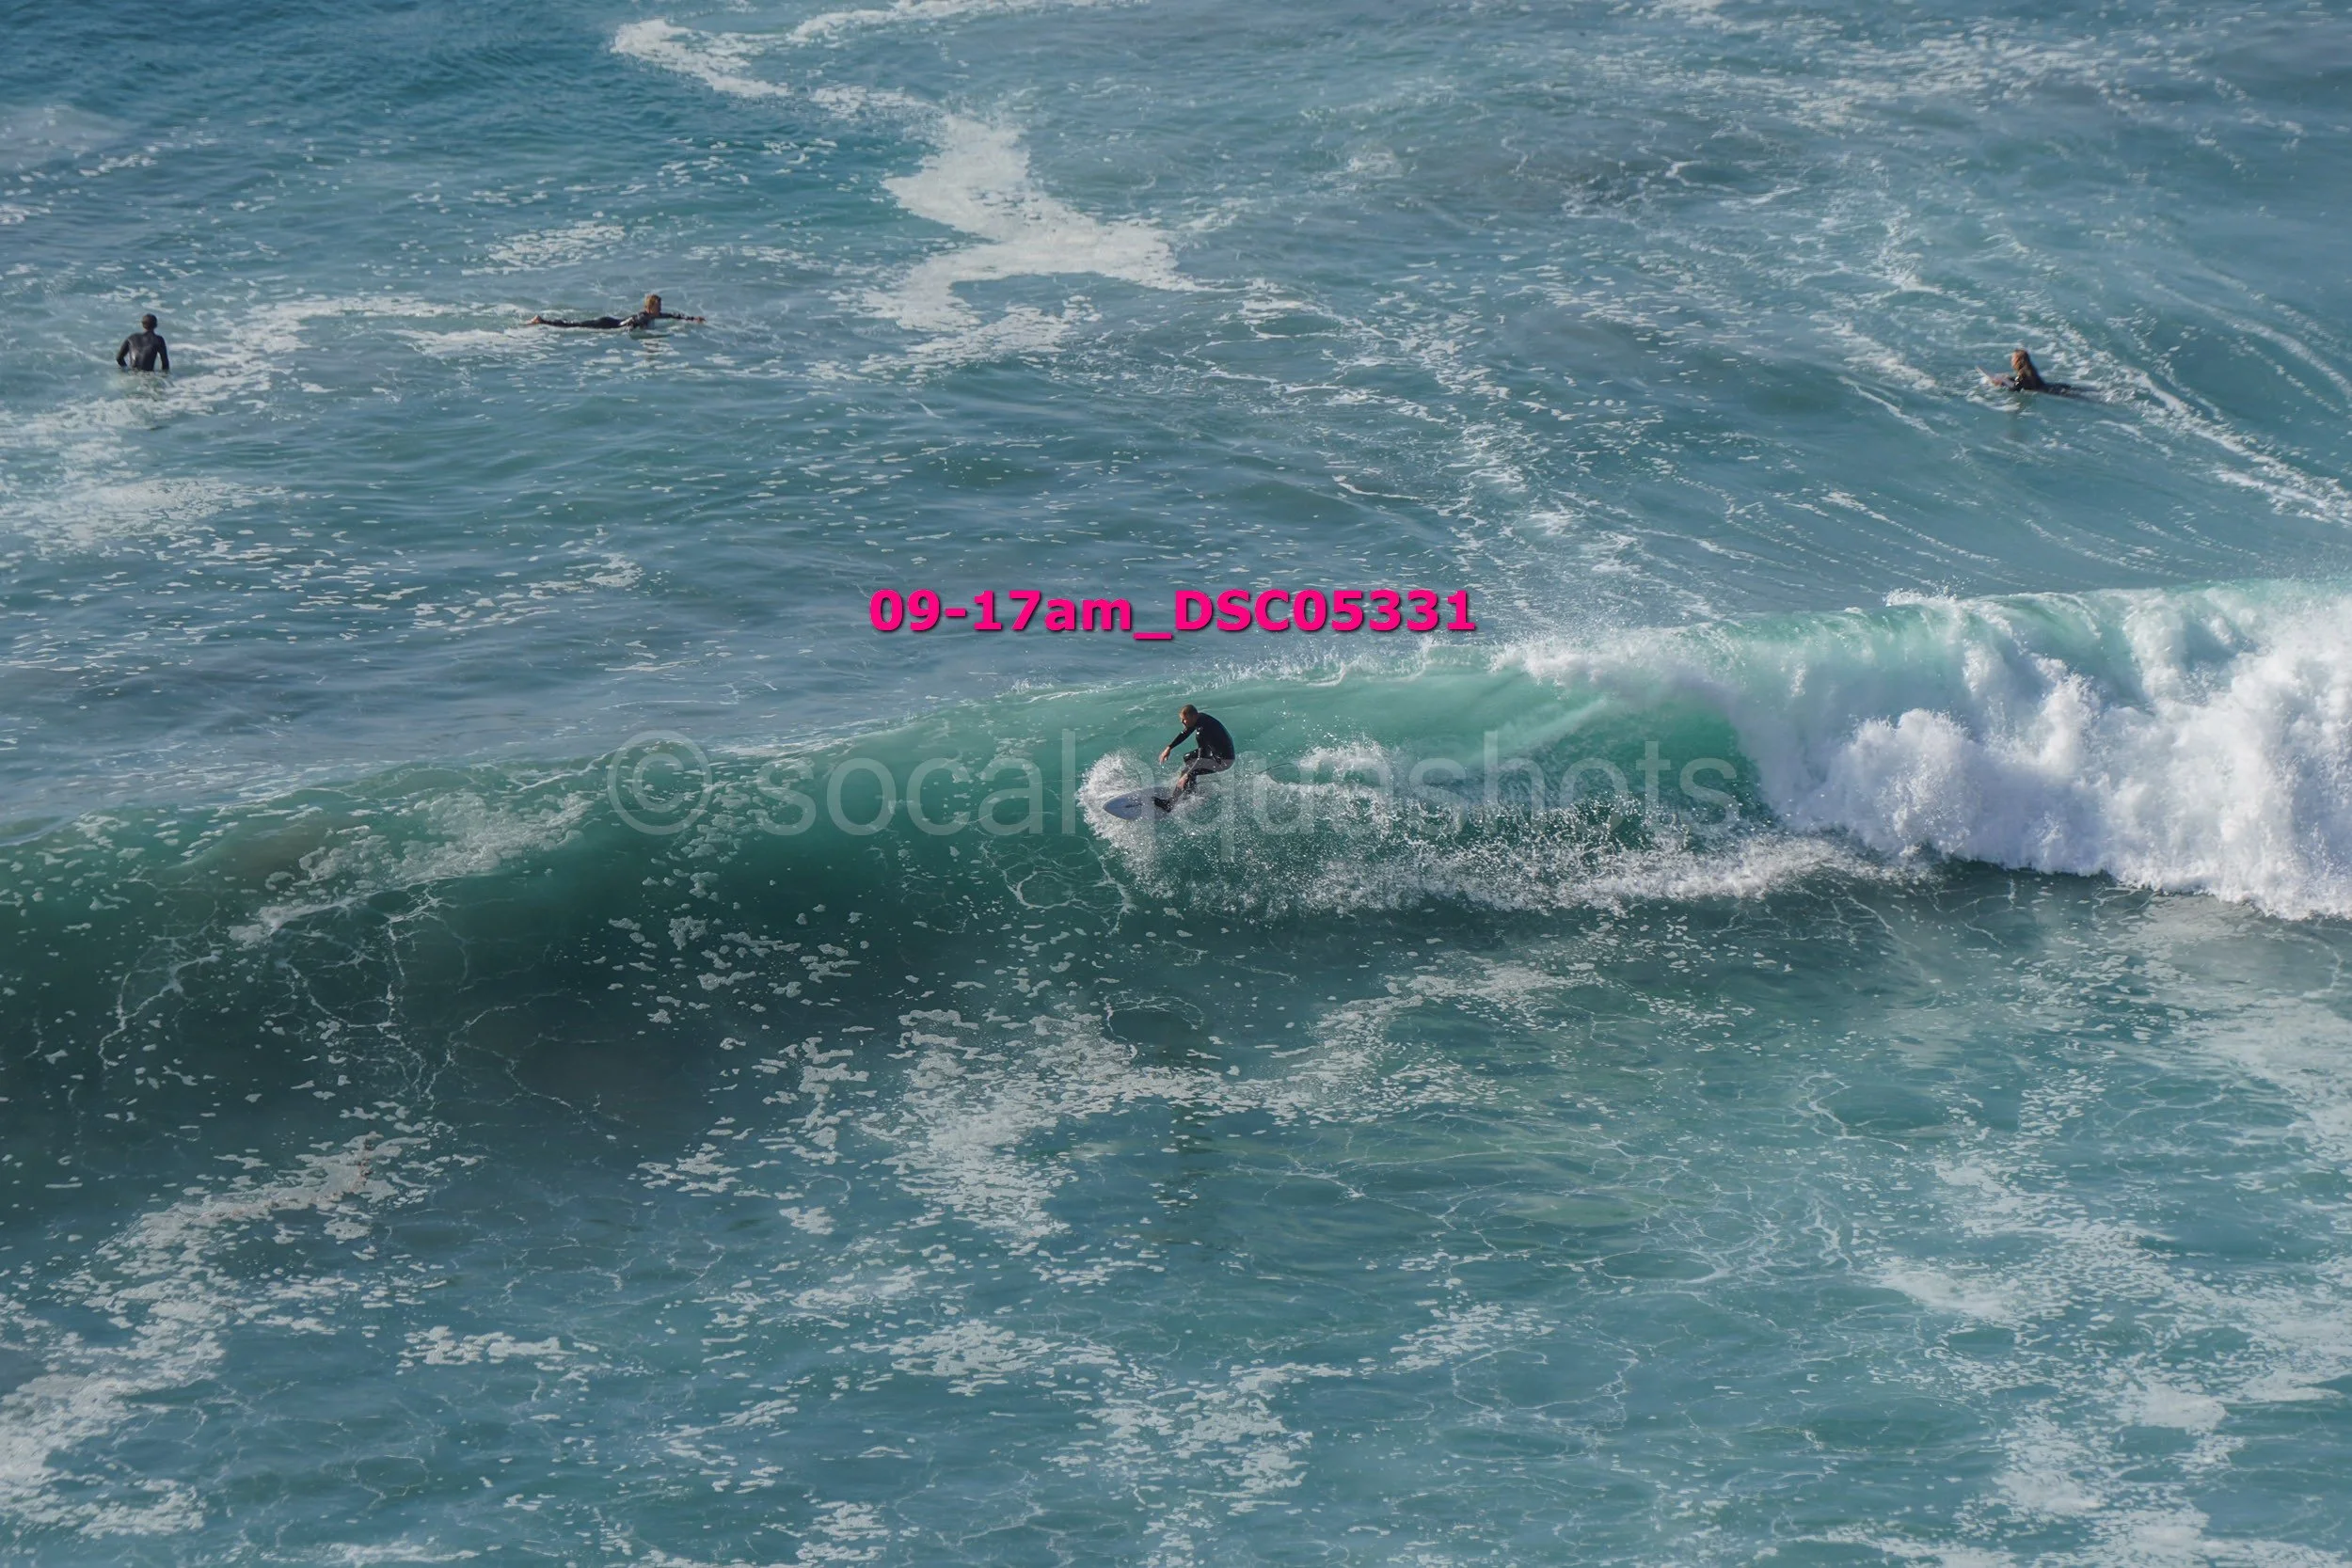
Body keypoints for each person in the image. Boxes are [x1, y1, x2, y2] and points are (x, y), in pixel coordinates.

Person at [1158, 704, 1235, 804]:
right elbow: (1185, 732)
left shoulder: (1202, 731)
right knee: (1188, 758)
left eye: (1184, 719)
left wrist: (1186, 775)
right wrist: (1169, 747)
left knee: (1189, 771)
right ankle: (1191, 790)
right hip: (1216, 753)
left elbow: (1201, 757)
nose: (1181, 722)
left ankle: (1170, 803)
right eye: (1181, 719)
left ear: (1193, 716)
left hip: (1224, 761)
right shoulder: (1200, 717)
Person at [528, 293, 705, 331]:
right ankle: (542, 321)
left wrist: (691, 319)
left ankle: (545, 320)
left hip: (611, 321)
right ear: (649, 308)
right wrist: (634, 329)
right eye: (658, 307)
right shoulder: (643, 317)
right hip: (608, 324)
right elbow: (634, 322)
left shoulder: (655, 315)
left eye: (660, 307)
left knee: (575, 323)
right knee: (574, 325)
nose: (660, 310)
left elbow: (673, 315)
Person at [1983, 348, 2072, 394]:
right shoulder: (2030, 371)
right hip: (2054, 387)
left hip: (2053, 391)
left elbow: (2016, 388)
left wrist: (2000, 383)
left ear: (2017, 361)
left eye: (2013, 358)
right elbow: (2020, 382)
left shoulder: (2022, 375)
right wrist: (2008, 378)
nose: (2011, 360)